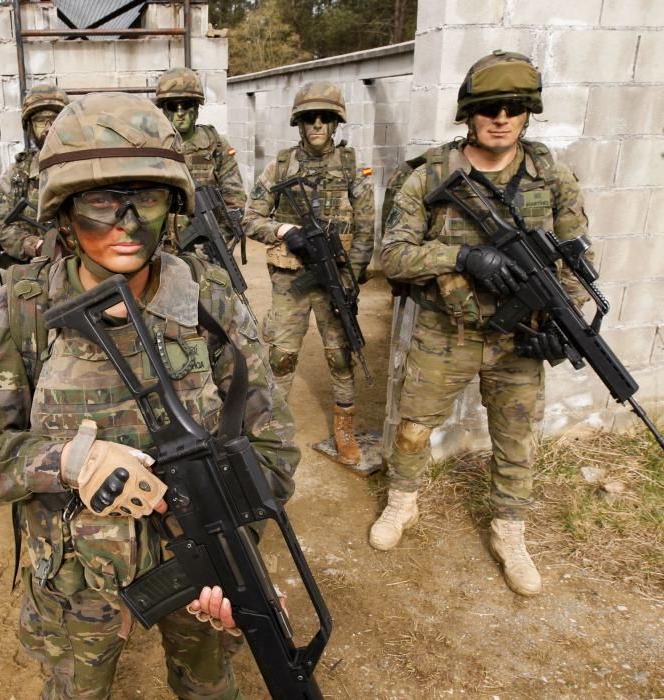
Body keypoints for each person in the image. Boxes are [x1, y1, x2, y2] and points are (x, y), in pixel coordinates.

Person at [0, 92, 299, 698]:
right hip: (77, 578)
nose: (127, 224)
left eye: (147, 199)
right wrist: (67, 461)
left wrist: (234, 548)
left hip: (199, 564)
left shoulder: (209, 298)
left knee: (211, 689)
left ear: (175, 207)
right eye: (101, 202)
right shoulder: (25, 307)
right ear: (63, 212)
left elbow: (272, 448)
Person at [371, 50, 591, 597]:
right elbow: (392, 257)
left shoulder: (553, 177)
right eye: (490, 106)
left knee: (516, 439)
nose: (501, 117)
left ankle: (509, 531)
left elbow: (578, 265)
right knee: (414, 426)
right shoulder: (430, 178)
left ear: (528, 113)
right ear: (469, 113)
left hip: (519, 342)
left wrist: (560, 323)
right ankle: (403, 502)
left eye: (514, 107)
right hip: (445, 335)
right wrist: (461, 257)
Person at [242, 80, 374, 467]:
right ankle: (271, 428)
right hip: (291, 280)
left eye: (326, 118)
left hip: (336, 277)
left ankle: (344, 427)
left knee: (341, 353)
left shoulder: (351, 167)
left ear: (336, 124)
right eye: (309, 118)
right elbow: (249, 217)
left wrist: (352, 276)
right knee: (282, 354)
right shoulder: (280, 166)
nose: (317, 125)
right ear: (298, 123)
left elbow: (365, 226)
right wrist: (284, 231)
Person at [154, 67, 246, 249]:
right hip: (160, 247)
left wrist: (217, 239)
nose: (180, 113)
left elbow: (234, 198)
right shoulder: (151, 146)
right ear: (164, 110)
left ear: (196, 108)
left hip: (207, 243)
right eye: (173, 106)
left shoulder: (216, 145)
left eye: (186, 105)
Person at [0, 83, 70, 262]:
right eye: (41, 121)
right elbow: (1, 227)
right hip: (35, 269)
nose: (49, 128)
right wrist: (35, 245)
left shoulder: (83, 167)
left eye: (55, 120)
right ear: (30, 127)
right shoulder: (17, 175)